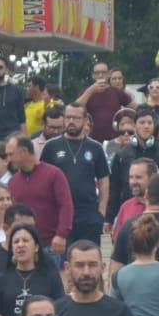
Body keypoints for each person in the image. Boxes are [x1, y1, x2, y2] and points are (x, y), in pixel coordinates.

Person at [40, 104, 111, 246]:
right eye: (68, 117)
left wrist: (101, 212)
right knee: (62, 260)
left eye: (76, 118)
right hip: (59, 212)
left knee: (89, 256)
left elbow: (104, 180)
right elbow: (43, 179)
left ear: (85, 121)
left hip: (88, 213)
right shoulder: (51, 146)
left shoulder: (96, 147)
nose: (71, 121)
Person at [4, 133, 74, 258]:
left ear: (24, 151)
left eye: (11, 154)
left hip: (50, 245)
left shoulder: (53, 174)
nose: (8, 159)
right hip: (23, 247)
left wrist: (61, 234)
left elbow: (65, 205)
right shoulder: (13, 182)